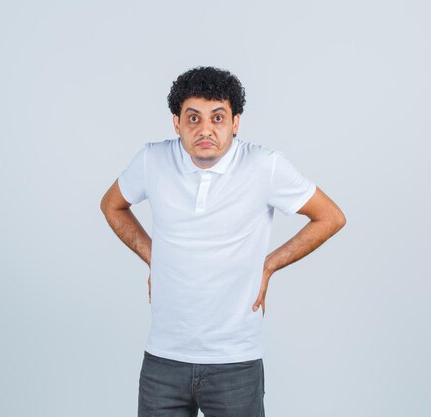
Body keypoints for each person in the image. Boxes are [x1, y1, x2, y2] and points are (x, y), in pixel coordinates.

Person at [100, 66, 346, 417]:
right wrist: (154, 257)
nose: (205, 130)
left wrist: (270, 264)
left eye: (217, 117)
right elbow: (112, 205)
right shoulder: (152, 160)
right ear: (176, 123)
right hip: (164, 361)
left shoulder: (265, 166)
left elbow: (331, 216)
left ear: (235, 122)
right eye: (193, 118)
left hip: (235, 363)